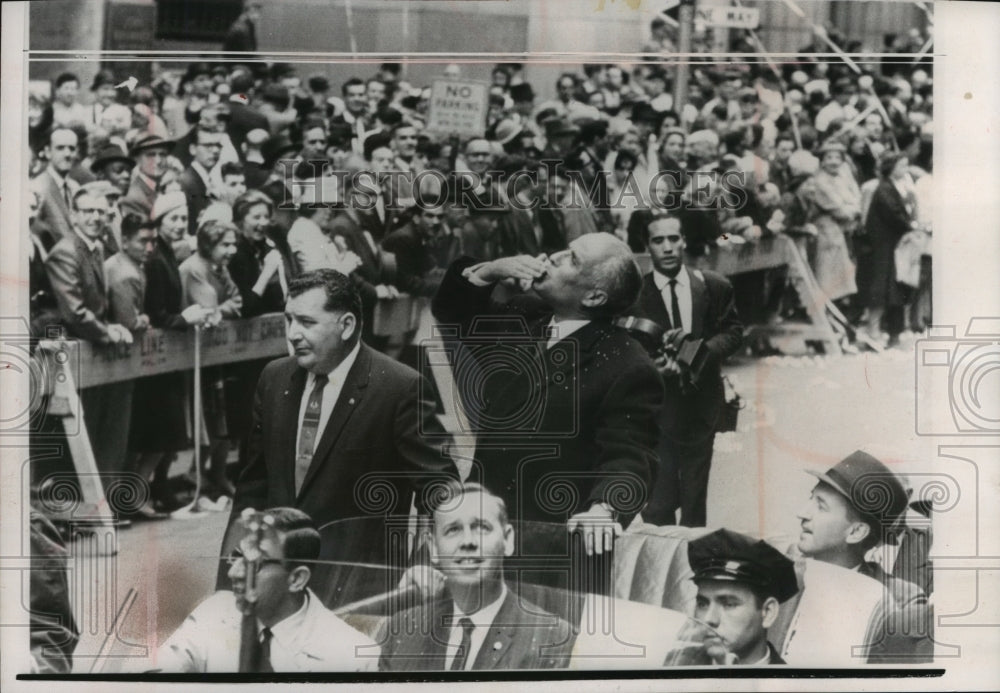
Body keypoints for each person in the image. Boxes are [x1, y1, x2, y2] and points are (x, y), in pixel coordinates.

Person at [431, 233, 663, 554]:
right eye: (564, 248)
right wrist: (490, 271)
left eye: (572, 258)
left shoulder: (627, 363)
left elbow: (629, 454)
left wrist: (604, 509)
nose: (553, 256)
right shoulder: (526, 318)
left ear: (594, 298)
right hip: (486, 524)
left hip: (552, 542)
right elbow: (452, 312)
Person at [225, 269, 458, 566]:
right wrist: (230, 575)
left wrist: (424, 566)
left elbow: (441, 489)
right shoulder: (274, 379)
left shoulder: (399, 387)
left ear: (346, 325)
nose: (293, 333)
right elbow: (252, 488)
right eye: (289, 320)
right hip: (278, 579)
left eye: (307, 322)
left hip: (357, 584)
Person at [379, 482, 575, 671]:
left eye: (481, 527)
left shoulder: (553, 637)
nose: (468, 542)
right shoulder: (403, 628)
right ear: (433, 548)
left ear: (508, 539)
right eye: (453, 530)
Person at [155, 507, 378, 672]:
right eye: (236, 557)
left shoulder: (352, 653)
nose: (234, 573)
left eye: (256, 564)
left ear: (297, 579)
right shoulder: (215, 611)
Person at [633, 216, 743, 527]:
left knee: (695, 500)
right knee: (658, 502)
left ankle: (691, 565)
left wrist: (695, 353)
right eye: (658, 241)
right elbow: (626, 347)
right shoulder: (634, 295)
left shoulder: (711, 285)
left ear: (683, 241)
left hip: (701, 405)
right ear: (647, 246)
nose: (667, 247)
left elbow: (733, 332)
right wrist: (652, 365)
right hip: (656, 411)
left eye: (673, 239)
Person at [180, 220, 244, 496]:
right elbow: (209, 311)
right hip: (193, 351)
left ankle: (216, 474)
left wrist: (223, 308)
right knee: (205, 415)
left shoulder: (221, 268)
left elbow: (236, 299)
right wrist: (222, 308)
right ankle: (196, 473)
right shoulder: (194, 268)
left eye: (233, 244)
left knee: (222, 414)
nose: (231, 250)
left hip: (216, 353)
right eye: (225, 245)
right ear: (209, 244)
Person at [686, 528, 800, 665]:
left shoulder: (792, 684)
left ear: (768, 613)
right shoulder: (676, 665)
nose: (708, 619)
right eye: (702, 604)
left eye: (729, 604)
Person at [856, 153, 917, 348]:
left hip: (889, 244)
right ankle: (875, 331)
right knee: (882, 289)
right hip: (883, 246)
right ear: (891, 168)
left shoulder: (892, 187)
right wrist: (911, 226)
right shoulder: (884, 189)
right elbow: (895, 215)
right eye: (901, 166)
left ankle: (888, 332)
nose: (905, 170)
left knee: (889, 289)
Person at [31, 127, 82, 248]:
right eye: (60, 148)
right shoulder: (37, 188)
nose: (67, 154)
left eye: (72, 148)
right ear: (48, 152)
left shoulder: (75, 188)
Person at [121, 134, 174, 218]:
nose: (158, 161)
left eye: (163, 154)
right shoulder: (133, 199)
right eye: (151, 155)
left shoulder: (166, 187)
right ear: (137, 159)